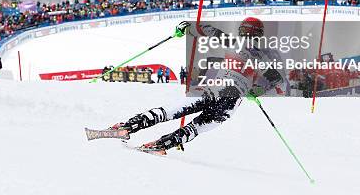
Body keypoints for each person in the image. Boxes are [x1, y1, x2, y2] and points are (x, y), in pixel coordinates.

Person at [108, 18, 287, 153]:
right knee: (196, 128)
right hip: (230, 104)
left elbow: (209, 31)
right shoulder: (267, 54)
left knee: (170, 112)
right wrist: (256, 90)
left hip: (213, 90)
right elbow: (277, 77)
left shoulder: (235, 42)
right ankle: (162, 146)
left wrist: (186, 28)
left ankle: (127, 127)